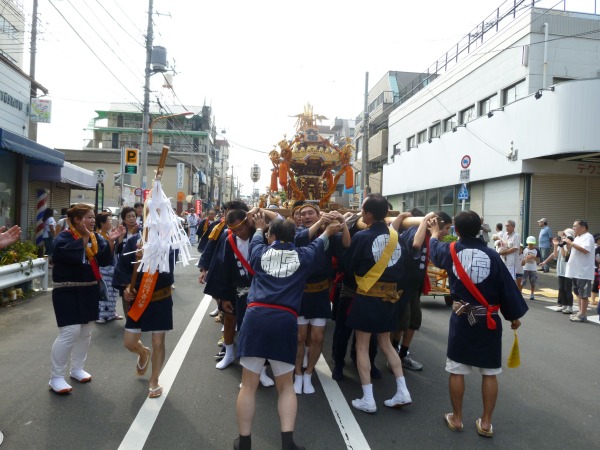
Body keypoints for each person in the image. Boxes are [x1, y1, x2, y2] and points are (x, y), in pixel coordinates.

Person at [234, 214, 341, 450]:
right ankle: (287, 443)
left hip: (255, 317)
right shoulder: (303, 256)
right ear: (294, 238)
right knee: (285, 386)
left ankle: (244, 442)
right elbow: (318, 243)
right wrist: (327, 231)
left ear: (271, 236)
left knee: (248, 386)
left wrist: (260, 227)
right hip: (285, 319)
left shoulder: (259, 252)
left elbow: (256, 239)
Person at [428, 210, 528, 438]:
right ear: (479, 229)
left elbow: (434, 250)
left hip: (462, 318)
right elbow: (506, 288)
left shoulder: (450, 250)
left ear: (456, 230)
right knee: (490, 372)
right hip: (488, 321)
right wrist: (513, 316)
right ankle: (486, 423)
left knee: (457, 369)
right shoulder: (492, 255)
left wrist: (433, 234)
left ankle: (457, 418)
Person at [342, 193, 413, 414]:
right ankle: (402, 390)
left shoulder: (362, 237)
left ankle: (368, 398)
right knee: (387, 344)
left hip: (367, 297)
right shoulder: (397, 238)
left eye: (363, 210)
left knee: (362, 346)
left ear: (370, 214)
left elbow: (348, 266)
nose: (361, 213)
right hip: (390, 298)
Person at [49, 204, 121, 394]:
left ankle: (77, 368)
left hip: (89, 289)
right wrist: (85, 238)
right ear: (77, 220)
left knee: (85, 331)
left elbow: (104, 260)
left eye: (93, 217)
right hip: (67, 290)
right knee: (70, 332)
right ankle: (56, 377)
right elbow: (66, 255)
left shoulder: (96, 238)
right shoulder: (64, 237)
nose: (92, 221)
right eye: (89, 217)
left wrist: (110, 242)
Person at [293, 204, 350, 395]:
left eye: (311, 213)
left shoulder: (329, 234)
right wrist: (321, 224)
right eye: (303, 214)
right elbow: (300, 240)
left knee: (317, 338)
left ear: (319, 214)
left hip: (320, 293)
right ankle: (298, 374)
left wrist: (342, 222)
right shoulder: (299, 232)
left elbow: (346, 245)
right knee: (299, 337)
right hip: (301, 293)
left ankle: (308, 374)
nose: (306, 216)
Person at [113, 231, 177, 399]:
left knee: (158, 342)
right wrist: (127, 287)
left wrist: (150, 255)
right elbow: (122, 267)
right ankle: (143, 352)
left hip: (160, 298)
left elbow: (168, 269)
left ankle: (154, 380)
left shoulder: (168, 242)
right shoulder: (134, 241)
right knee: (129, 342)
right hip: (139, 299)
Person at [392, 210, 452, 372]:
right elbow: (416, 245)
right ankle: (393, 356)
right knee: (401, 323)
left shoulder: (432, 238)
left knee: (414, 322)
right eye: (446, 228)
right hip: (403, 285)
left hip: (415, 286)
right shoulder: (415, 231)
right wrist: (425, 220)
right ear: (436, 224)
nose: (447, 232)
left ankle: (402, 355)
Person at [94, 212, 125, 323]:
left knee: (112, 292)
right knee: (105, 292)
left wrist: (120, 236)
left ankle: (111, 313)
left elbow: (116, 250)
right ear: (102, 223)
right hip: (104, 268)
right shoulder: (98, 236)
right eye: (109, 220)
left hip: (111, 266)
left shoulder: (107, 234)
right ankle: (101, 316)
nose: (111, 222)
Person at [565, 220, 595, 323]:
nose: (573, 228)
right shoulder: (577, 238)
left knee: (583, 294)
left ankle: (583, 315)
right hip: (575, 271)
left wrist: (571, 243)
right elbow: (572, 250)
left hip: (583, 271)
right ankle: (580, 312)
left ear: (583, 227)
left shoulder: (588, 237)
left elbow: (585, 250)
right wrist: (568, 245)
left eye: (575, 226)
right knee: (578, 293)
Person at [540, 229, 574, 313]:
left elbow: (564, 255)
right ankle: (564, 305)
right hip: (561, 270)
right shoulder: (562, 244)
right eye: (562, 236)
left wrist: (562, 245)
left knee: (567, 289)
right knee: (561, 288)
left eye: (564, 235)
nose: (562, 237)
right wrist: (555, 246)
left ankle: (570, 307)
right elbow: (554, 255)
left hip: (568, 271)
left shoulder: (570, 245)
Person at [521, 236, 540, 300]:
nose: (530, 245)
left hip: (533, 268)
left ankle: (532, 294)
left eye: (532, 244)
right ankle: (520, 292)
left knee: (533, 282)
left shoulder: (536, 250)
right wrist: (525, 259)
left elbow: (538, 260)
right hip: (525, 268)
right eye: (529, 244)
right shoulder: (524, 249)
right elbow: (521, 258)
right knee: (522, 281)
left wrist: (533, 257)